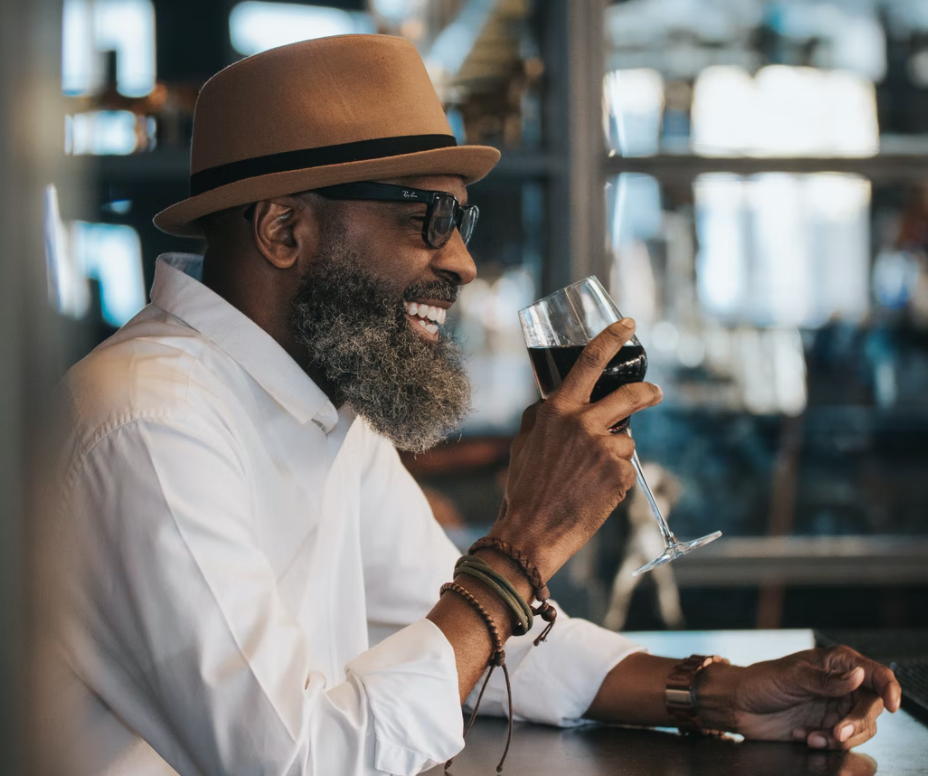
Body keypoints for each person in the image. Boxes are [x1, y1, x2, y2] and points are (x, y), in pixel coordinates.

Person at [48, 35, 900, 776]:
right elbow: (300, 760)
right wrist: (522, 546)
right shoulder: (149, 423)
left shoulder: (312, 403)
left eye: (462, 217)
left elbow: (485, 635)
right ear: (282, 230)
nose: (461, 262)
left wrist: (721, 695)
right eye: (427, 215)